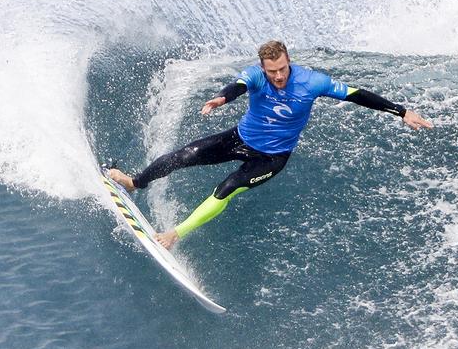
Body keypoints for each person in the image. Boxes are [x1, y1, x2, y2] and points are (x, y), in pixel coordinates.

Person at [110, 40, 432, 249]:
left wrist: (401, 112)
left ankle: (174, 235)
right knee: (185, 155)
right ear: (263, 67)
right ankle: (135, 182)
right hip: (240, 138)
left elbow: (356, 95)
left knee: (227, 187)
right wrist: (222, 98)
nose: (278, 76)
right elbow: (238, 86)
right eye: (272, 71)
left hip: (271, 158)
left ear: (289, 61)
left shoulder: (312, 82)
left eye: (282, 69)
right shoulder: (256, 75)